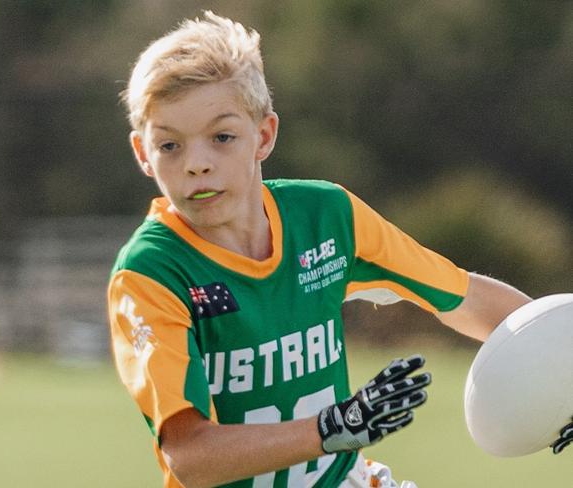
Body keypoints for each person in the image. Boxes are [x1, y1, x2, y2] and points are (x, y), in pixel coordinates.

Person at [107, 11, 571, 488]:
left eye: (222, 137)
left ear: (263, 135)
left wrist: (563, 365)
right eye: (169, 146)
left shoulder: (327, 217)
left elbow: (464, 297)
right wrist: (332, 428)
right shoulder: (149, 273)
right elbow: (190, 457)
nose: (197, 164)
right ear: (143, 153)